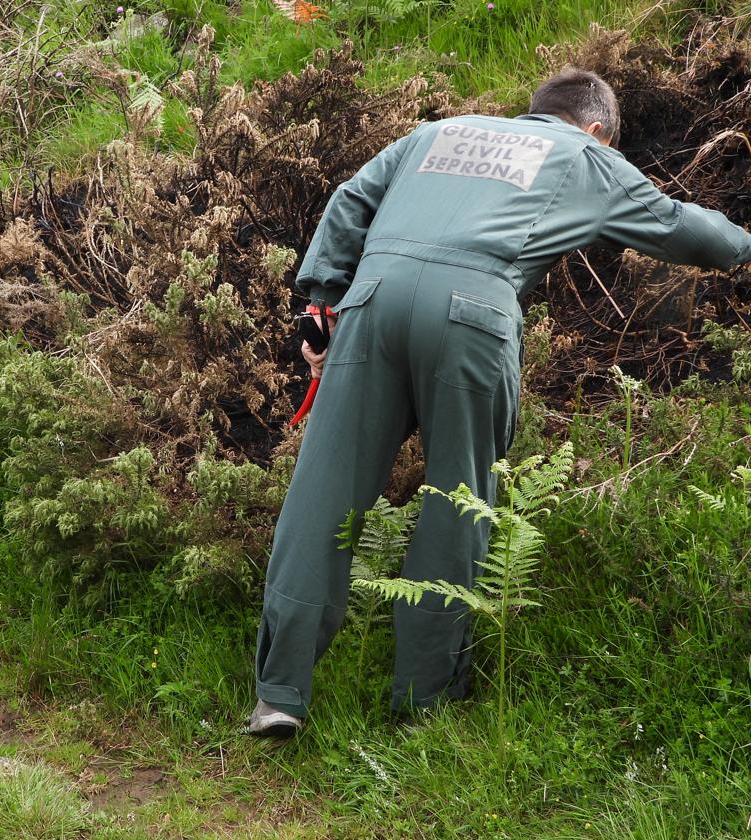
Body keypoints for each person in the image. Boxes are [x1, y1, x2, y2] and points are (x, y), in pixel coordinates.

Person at [248, 68, 751, 736]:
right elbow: (691, 234)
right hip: (472, 314)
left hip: (372, 302)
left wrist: (323, 302)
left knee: (322, 496)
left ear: (531, 110)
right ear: (597, 130)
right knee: (458, 499)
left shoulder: (439, 132)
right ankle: (421, 705)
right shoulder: (585, 156)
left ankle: (279, 695)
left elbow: (348, 201)